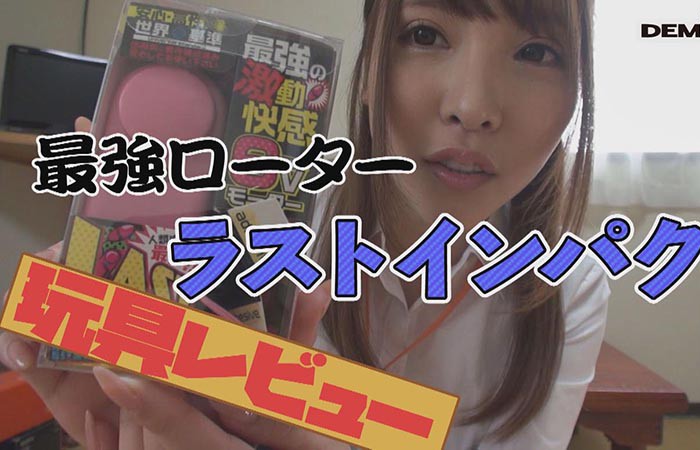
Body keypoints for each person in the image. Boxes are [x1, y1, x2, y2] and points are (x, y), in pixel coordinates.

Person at [0, 0, 608, 448]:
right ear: (369, 69)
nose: (471, 108)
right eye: (425, 34)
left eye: (536, 52)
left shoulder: (570, 285)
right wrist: (125, 397)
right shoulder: (259, 240)